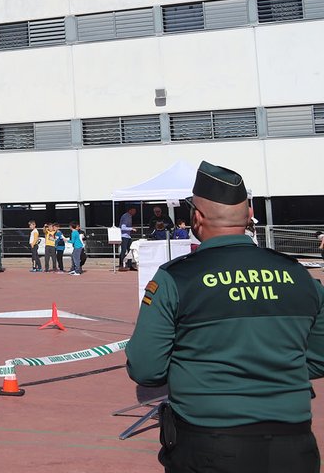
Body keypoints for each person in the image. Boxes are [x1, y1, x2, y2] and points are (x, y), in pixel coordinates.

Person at [126, 161, 324, 473]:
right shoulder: (297, 275)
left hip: (210, 443)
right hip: (293, 444)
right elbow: (318, 358)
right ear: (248, 217)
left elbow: (146, 368)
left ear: (197, 217)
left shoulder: (176, 279)